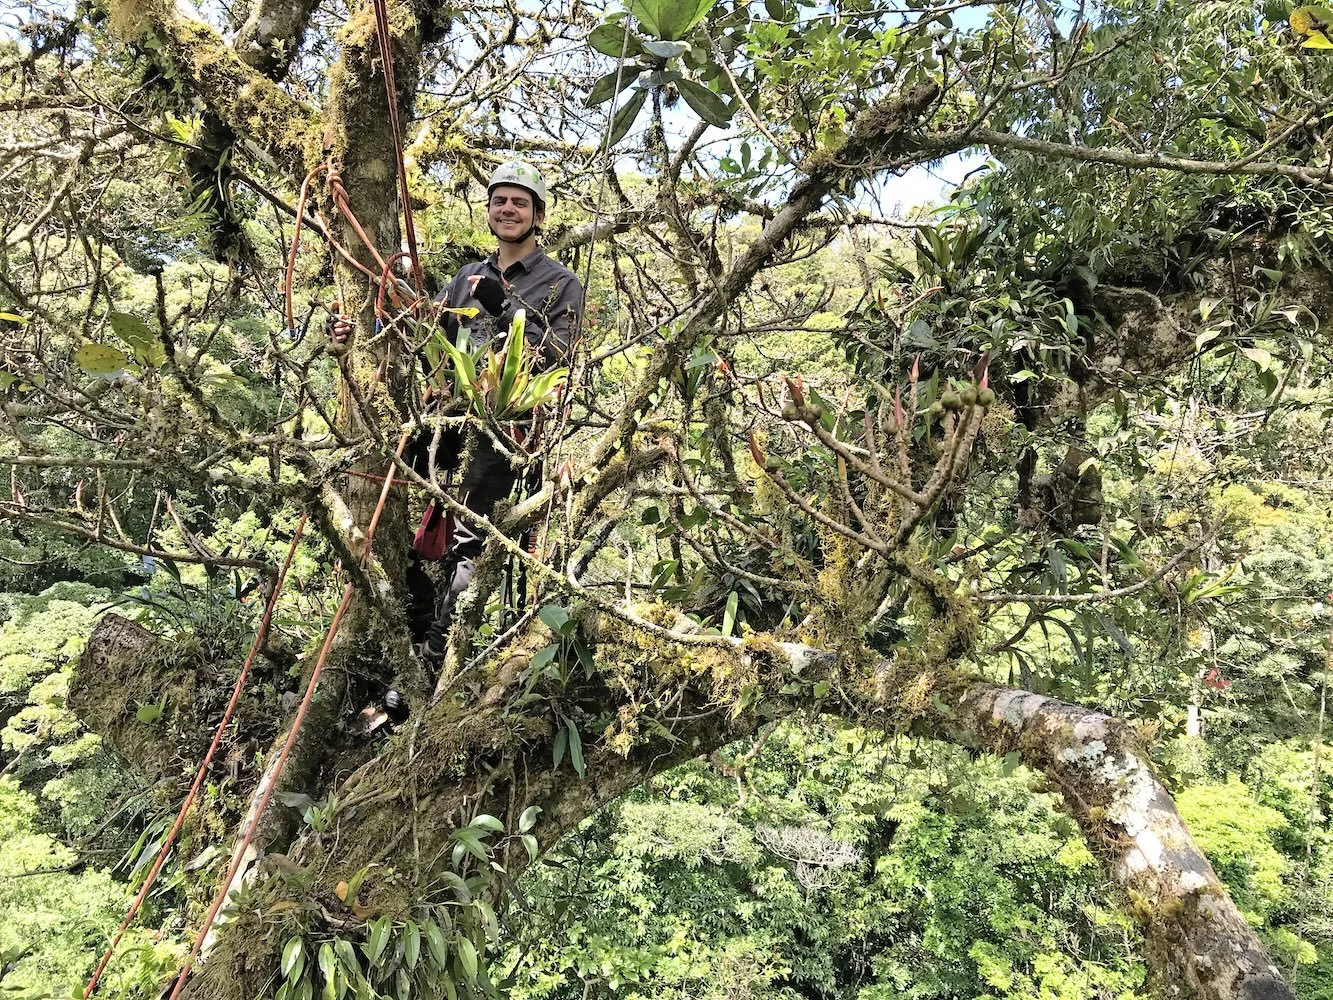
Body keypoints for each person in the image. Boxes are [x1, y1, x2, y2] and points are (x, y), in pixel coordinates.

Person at [331, 160, 583, 671]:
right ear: (488, 211)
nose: (508, 209)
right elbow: (428, 336)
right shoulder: (467, 276)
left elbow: (562, 355)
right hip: (446, 415)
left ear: (537, 215)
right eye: (500, 201)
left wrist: (509, 309)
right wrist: (357, 333)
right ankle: (414, 624)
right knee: (378, 505)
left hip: (507, 428)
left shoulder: (560, 283)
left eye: (520, 202)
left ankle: (433, 656)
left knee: (472, 544)